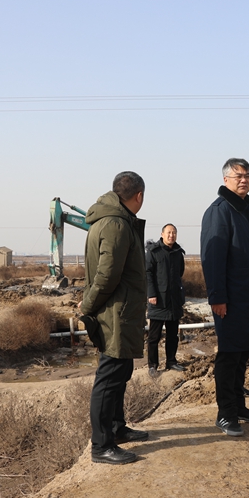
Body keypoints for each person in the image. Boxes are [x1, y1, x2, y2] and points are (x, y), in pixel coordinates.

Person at [79, 171, 150, 465]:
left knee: (121, 372)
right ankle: (102, 445)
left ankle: (117, 429)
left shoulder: (110, 220)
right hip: (115, 313)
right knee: (109, 378)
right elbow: (107, 275)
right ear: (139, 196)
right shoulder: (117, 224)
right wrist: (88, 306)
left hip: (120, 310)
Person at [200, 158, 249, 437]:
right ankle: (225, 414)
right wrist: (217, 297)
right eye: (238, 175)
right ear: (226, 180)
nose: (244, 180)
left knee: (243, 353)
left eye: (247, 175)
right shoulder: (219, 211)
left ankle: (239, 406)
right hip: (230, 299)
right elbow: (212, 258)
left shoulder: (247, 210)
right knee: (229, 356)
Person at [145, 223, 186, 376]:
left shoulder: (178, 252)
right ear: (162, 234)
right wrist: (151, 294)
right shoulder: (153, 251)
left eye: (174, 233)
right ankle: (153, 365)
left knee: (172, 335)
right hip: (158, 300)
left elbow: (180, 273)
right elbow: (147, 274)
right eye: (168, 232)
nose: (171, 235)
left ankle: (171, 361)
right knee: (154, 336)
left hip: (174, 300)